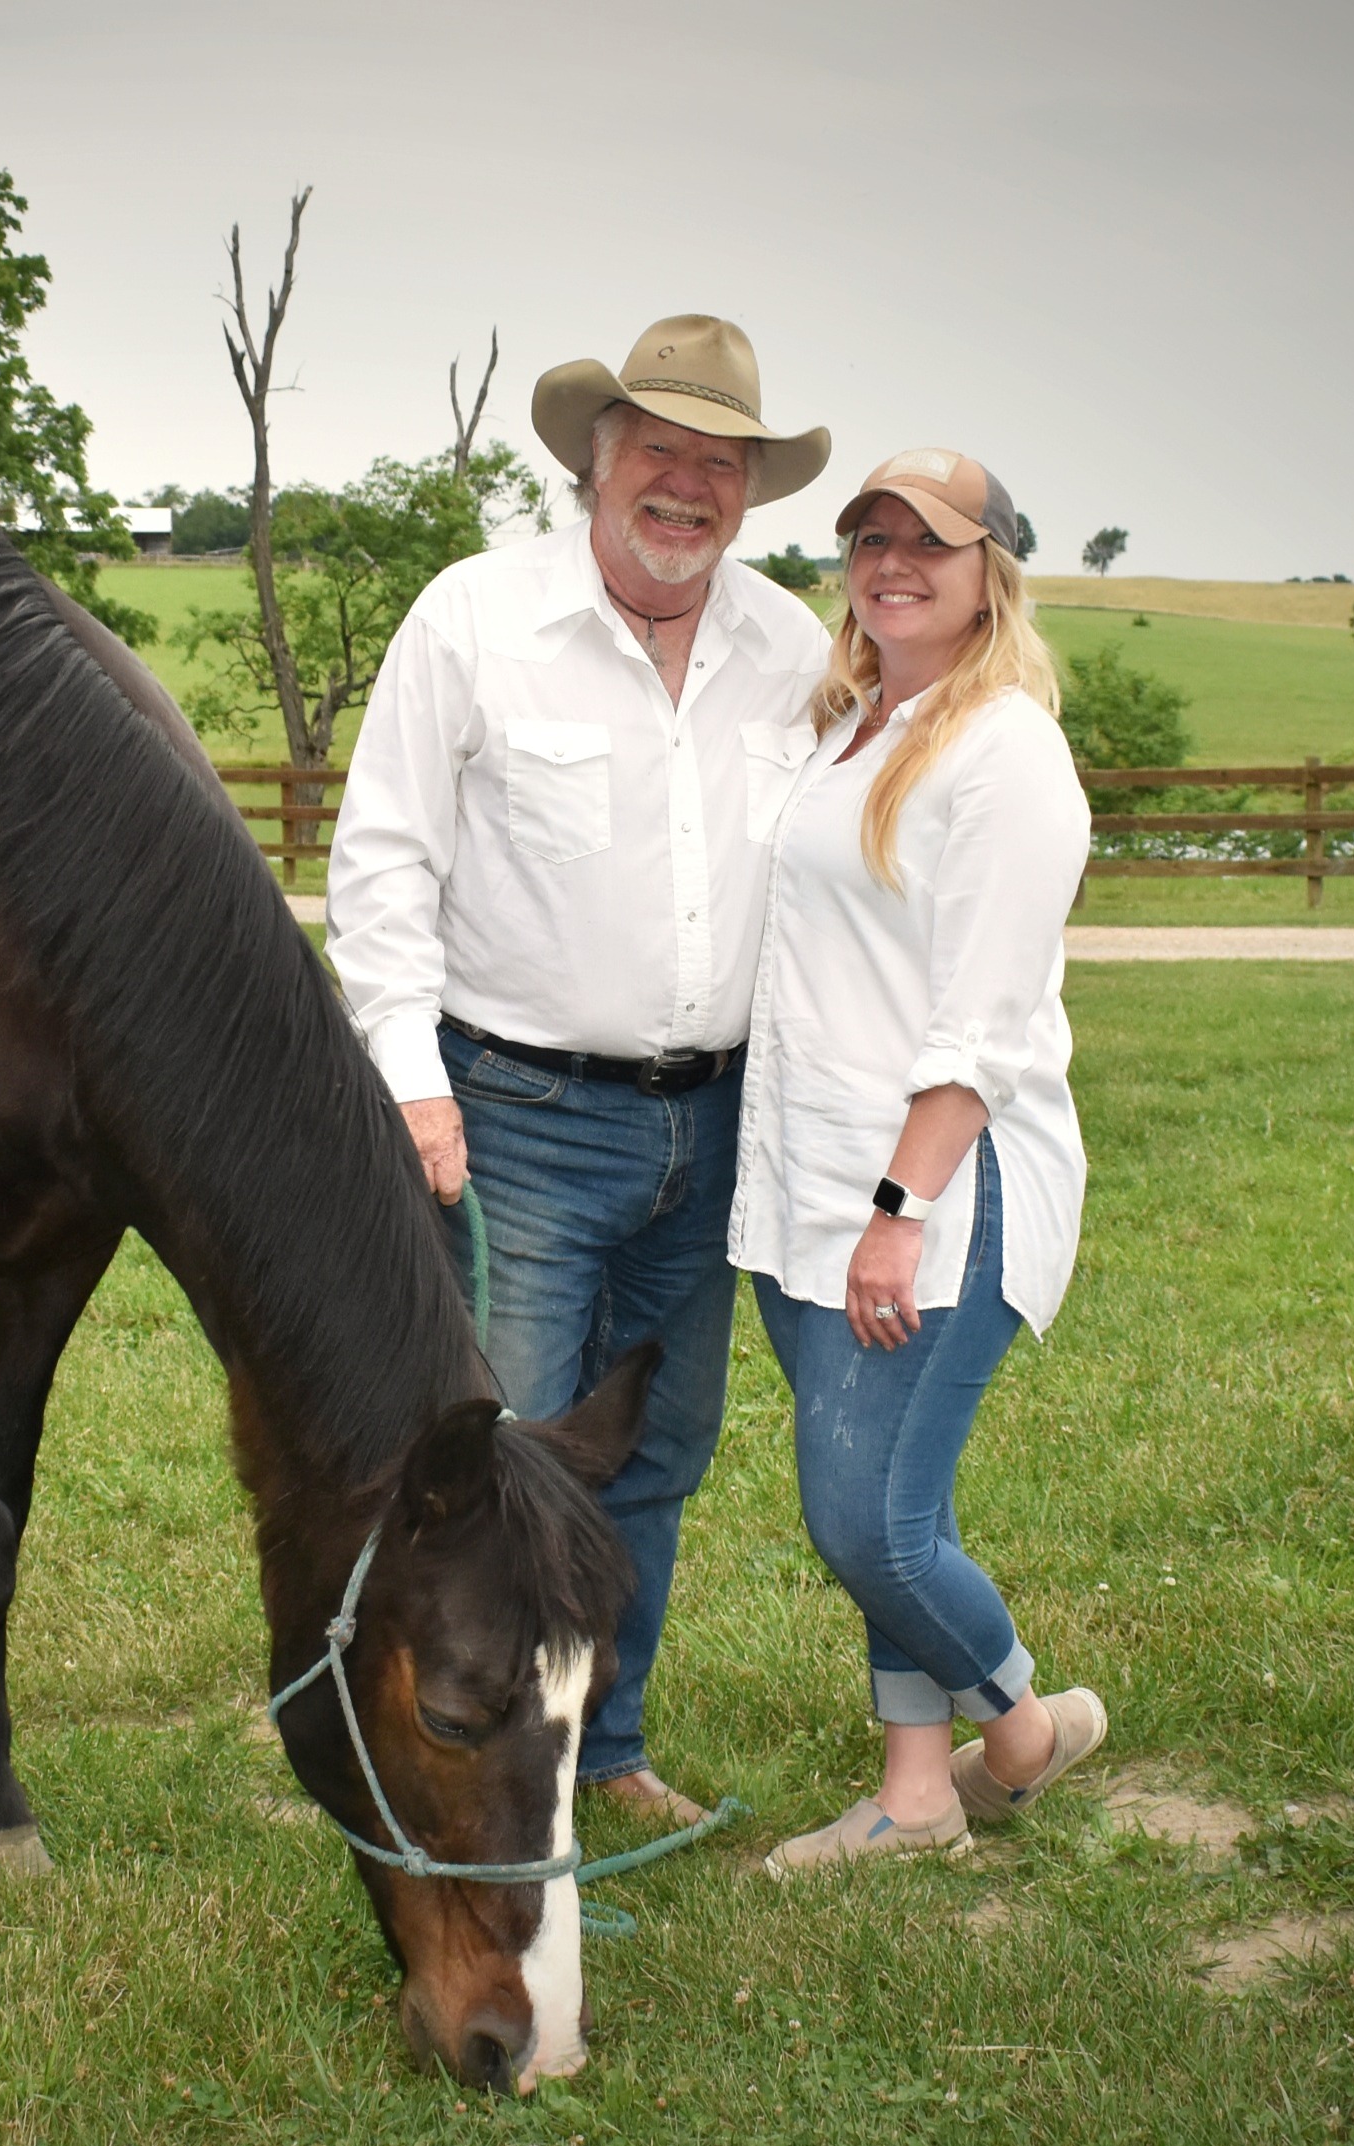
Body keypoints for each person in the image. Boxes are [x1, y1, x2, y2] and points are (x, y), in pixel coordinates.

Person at [328, 315, 831, 1826]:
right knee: (495, 1464)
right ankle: (451, 1759)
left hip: (714, 1122)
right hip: (518, 1118)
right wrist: (410, 1077)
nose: (686, 487)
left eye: (719, 464)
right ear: (596, 465)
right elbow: (384, 861)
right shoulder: (475, 620)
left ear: (749, 492)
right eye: (659, 452)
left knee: (657, 1452)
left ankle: (603, 1753)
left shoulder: (791, 650)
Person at [728, 447, 1107, 1874]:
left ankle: (1020, 1731)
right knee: (895, 1500)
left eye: (929, 544)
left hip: (936, 1188)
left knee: (868, 1523)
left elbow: (981, 1023)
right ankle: (913, 1794)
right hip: (805, 1175)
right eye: (870, 540)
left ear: (988, 573)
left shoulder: (1004, 751)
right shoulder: (848, 727)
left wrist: (898, 1210)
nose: (893, 565)